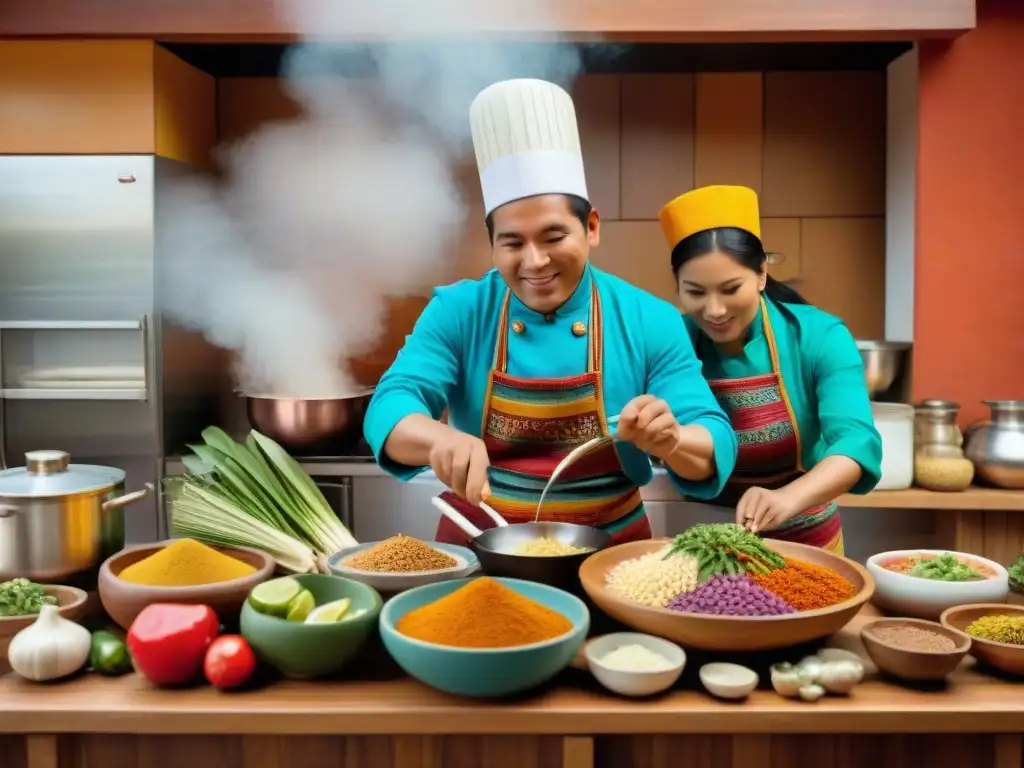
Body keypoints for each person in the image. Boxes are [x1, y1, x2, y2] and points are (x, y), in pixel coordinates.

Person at [364, 78, 737, 546]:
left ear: (592, 228)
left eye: (554, 237)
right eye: (513, 243)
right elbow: (390, 406)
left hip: (609, 555)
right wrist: (440, 440)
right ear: (492, 243)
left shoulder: (649, 319)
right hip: (479, 547)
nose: (535, 262)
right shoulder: (458, 312)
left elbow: (715, 439)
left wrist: (673, 440)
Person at [658, 184, 882, 554]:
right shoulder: (672, 340)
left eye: (731, 288)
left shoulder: (819, 335)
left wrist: (788, 498)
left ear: (761, 273)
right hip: (702, 544)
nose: (714, 310)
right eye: (695, 292)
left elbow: (856, 442)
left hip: (806, 543)